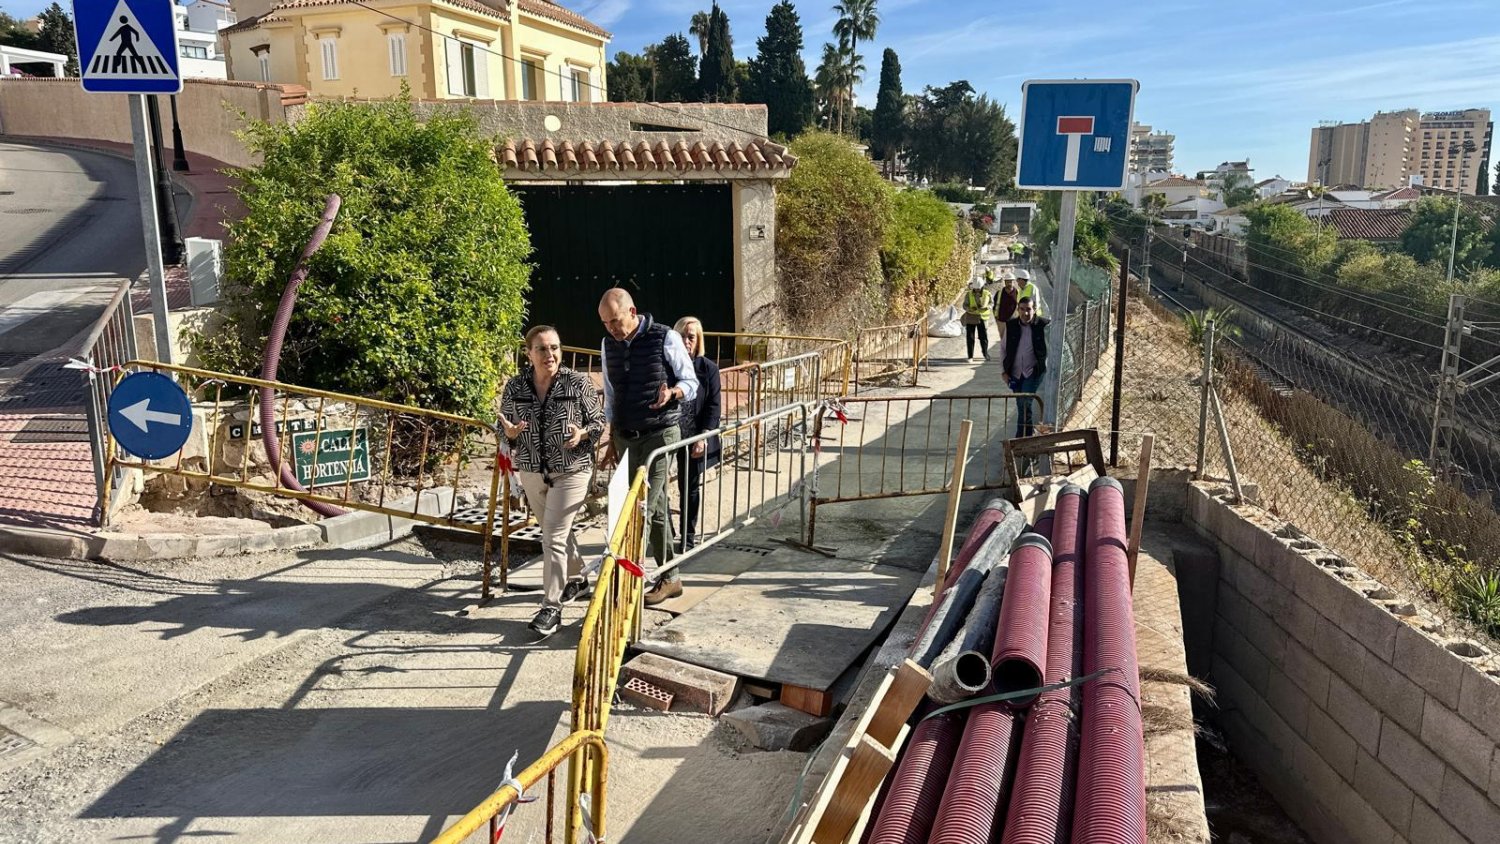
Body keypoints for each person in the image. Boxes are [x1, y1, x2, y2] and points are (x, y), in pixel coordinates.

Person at [499, 325, 607, 636]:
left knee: (554, 537)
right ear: (529, 353)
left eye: (555, 348)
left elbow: (599, 421)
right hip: (532, 467)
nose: (551, 354)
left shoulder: (577, 382)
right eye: (543, 349)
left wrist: (583, 433)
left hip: (573, 468)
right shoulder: (516, 386)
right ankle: (578, 579)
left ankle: (551, 607)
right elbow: (503, 424)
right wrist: (508, 433)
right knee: (553, 531)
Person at [598, 288, 699, 606]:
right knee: (641, 507)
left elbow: (691, 382)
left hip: (660, 433)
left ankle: (635, 574)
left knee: (647, 506)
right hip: (626, 435)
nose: (612, 329)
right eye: (605, 323)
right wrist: (610, 435)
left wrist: (673, 394)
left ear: (632, 311)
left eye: (615, 320)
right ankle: (670, 578)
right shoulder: (607, 345)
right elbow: (611, 392)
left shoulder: (665, 337)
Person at [673, 316, 722, 551]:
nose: (686, 341)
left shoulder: (708, 369)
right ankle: (665, 533)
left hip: (693, 437)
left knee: (689, 487)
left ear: (698, 340)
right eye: (681, 336)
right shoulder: (667, 366)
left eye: (691, 336)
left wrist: (704, 435)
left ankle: (687, 536)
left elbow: (714, 405)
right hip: (668, 435)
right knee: (657, 486)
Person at [1002, 297, 1050, 438]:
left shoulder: (1043, 325)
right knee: (1021, 404)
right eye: (1022, 309)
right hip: (1015, 373)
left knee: (1025, 404)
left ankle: (1021, 438)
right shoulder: (1011, 325)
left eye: (1028, 309)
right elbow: (1003, 349)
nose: (1025, 313)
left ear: (1034, 310)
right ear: (1018, 310)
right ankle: (1026, 438)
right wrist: (1003, 371)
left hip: (1033, 372)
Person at [960, 278, 994, 361]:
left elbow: (991, 303)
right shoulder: (969, 294)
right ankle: (970, 356)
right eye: (976, 289)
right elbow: (965, 305)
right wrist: (969, 309)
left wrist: (987, 307)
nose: (977, 290)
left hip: (982, 317)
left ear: (982, 287)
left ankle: (985, 354)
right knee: (970, 337)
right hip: (971, 317)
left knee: (983, 337)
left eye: (978, 289)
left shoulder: (987, 293)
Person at [994, 272, 1020, 349]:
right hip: (1001, 320)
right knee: (1003, 339)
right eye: (1007, 281)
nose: (1009, 283)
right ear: (1005, 282)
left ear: (1014, 282)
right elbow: (995, 306)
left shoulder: (1018, 292)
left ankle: (1011, 354)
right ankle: (1005, 354)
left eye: (1011, 281)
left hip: (1014, 320)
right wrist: (996, 318)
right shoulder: (999, 293)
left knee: (1013, 339)